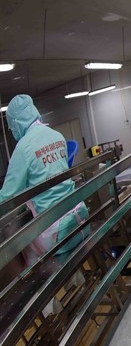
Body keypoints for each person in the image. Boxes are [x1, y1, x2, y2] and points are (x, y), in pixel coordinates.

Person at [0, 95, 89, 265]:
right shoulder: (57, 136)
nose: (12, 131)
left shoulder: (23, 148)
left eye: (12, 127)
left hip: (59, 234)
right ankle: (76, 282)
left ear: (17, 122)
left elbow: (7, 197)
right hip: (81, 219)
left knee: (16, 247)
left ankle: (40, 286)